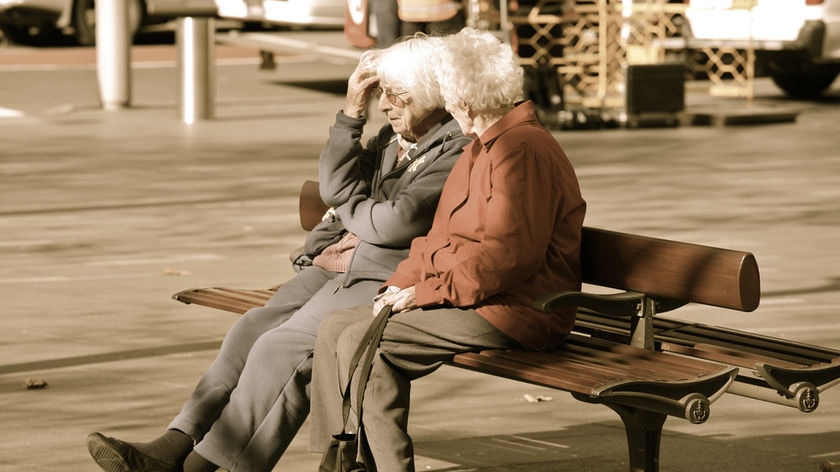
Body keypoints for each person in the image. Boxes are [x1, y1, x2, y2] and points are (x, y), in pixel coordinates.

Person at [86, 34, 472, 472]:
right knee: (250, 328)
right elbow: (335, 185)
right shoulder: (390, 137)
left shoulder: (456, 146)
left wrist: (345, 202)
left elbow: (393, 222)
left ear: (431, 94)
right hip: (339, 262)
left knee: (281, 349)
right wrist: (350, 113)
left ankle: (201, 468)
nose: (384, 105)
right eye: (380, 92)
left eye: (396, 95)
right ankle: (175, 444)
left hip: (383, 277)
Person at [310, 27, 586, 472]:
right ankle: (343, 459)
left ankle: (382, 466)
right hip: (475, 296)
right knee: (335, 328)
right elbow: (436, 239)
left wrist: (425, 293)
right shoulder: (482, 147)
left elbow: (509, 258)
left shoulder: (522, 152)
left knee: (367, 341)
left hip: (518, 309)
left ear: (462, 100)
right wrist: (399, 283)